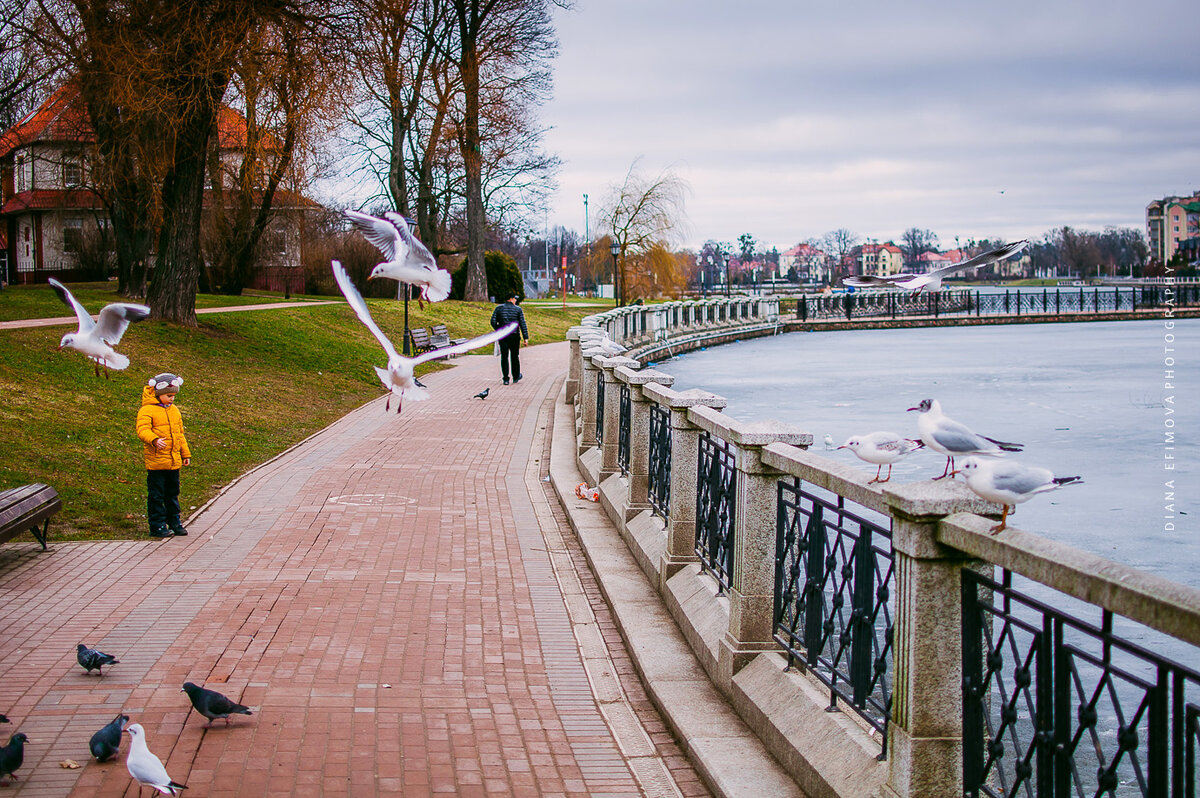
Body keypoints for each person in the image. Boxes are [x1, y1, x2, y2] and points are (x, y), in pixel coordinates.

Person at [136, 373, 192, 538]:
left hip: (173, 461)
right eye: (169, 396)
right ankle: (157, 525)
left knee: (172, 492)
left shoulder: (174, 411)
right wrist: (154, 440)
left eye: (174, 396)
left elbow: (179, 434)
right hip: (157, 462)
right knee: (157, 494)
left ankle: (174, 521)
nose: (172, 399)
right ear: (158, 394)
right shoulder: (147, 410)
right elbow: (142, 430)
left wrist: (185, 454)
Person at [490, 293, 529, 385]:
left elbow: (493, 321)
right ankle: (516, 376)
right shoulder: (518, 309)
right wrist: (525, 337)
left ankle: (506, 378)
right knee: (514, 356)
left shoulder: (498, 308)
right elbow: (522, 324)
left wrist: (499, 329)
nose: (516, 300)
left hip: (503, 336)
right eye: (515, 299)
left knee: (504, 357)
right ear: (511, 299)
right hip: (514, 336)